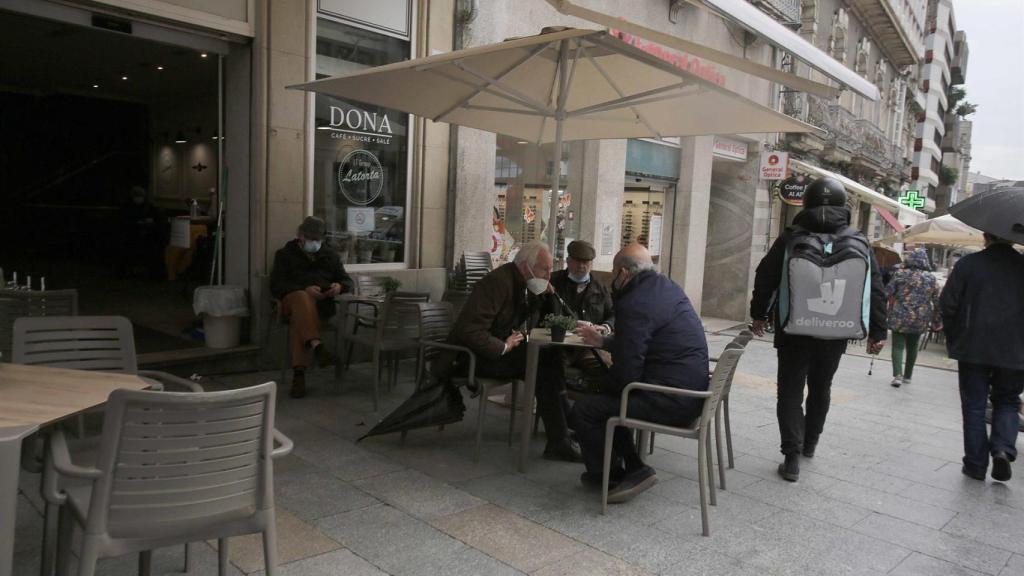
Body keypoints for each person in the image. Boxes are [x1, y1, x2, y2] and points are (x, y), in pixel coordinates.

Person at [749, 177, 886, 482]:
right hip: (836, 330)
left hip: (793, 330)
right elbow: (875, 287)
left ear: (806, 203)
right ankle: (810, 443)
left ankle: (791, 456)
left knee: (790, 390)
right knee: (821, 387)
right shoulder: (860, 240)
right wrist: (878, 331)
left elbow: (765, 276)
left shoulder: (789, 237)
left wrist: (759, 314)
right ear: (843, 206)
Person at [571, 243, 709, 503]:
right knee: (611, 403)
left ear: (623, 273)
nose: (612, 279)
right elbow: (642, 343)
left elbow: (628, 369)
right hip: (690, 393)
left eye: (613, 273)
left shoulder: (634, 302)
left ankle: (614, 473)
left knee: (587, 409)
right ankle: (625, 469)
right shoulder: (665, 288)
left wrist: (598, 386)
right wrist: (603, 342)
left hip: (670, 399)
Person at [442, 240, 580, 461]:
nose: (548, 275)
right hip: (473, 357)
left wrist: (546, 295)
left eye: (550, 270)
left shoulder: (521, 283)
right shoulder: (497, 283)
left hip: (495, 353)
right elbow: (470, 330)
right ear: (526, 266)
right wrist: (504, 346)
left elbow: (541, 319)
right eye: (544, 269)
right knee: (542, 361)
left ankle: (563, 432)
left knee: (549, 357)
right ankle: (562, 435)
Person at [941, 232, 1024, 482]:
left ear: (986, 235)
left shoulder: (969, 264)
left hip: (973, 346)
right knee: (1008, 400)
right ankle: (1002, 447)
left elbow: (948, 304)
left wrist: (955, 335)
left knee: (974, 406)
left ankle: (976, 464)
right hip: (1015, 348)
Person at [270, 216, 352, 399]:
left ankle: (299, 374)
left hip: (320, 307)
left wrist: (339, 287)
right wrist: (304, 289)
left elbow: (347, 280)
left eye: (317, 239)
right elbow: (276, 286)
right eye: (310, 238)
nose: (313, 242)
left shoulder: (330, 256)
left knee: (298, 323)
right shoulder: (285, 254)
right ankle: (318, 346)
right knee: (301, 297)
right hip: (290, 301)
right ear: (300, 235)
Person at [550, 240, 614, 393]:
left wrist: (605, 327)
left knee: (606, 370)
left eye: (586, 262)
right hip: (560, 346)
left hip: (589, 347)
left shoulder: (600, 286)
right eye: (577, 262)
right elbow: (542, 313)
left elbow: (613, 313)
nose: (581, 266)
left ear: (591, 264)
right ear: (568, 261)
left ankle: (589, 405)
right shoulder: (553, 282)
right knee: (550, 370)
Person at [885, 248, 941, 388]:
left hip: (899, 315)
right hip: (920, 318)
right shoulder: (931, 278)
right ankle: (908, 376)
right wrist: (937, 319)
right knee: (913, 346)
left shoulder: (900, 274)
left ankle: (897, 375)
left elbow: (887, 292)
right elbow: (937, 301)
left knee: (897, 346)